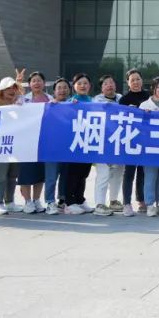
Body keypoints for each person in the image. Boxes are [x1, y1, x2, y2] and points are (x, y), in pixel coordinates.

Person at [18, 71, 52, 214]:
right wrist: (18, 82)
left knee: (40, 172)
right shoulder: (23, 99)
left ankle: (36, 200)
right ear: (29, 84)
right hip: (26, 141)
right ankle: (27, 201)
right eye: (33, 81)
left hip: (43, 141)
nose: (36, 83)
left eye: (39, 80)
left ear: (44, 83)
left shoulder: (50, 99)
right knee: (25, 172)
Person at [0, 77, 24, 215]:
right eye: (8, 88)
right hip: (0, 145)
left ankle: (9, 202)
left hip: (17, 144)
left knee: (13, 175)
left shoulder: (21, 103)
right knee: (0, 174)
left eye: (14, 88)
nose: (11, 90)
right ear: (2, 91)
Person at [118, 69, 150, 215]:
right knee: (129, 172)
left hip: (145, 139)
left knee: (143, 172)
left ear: (142, 80)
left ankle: (142, 201)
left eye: (138, 79)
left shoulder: (148, 97)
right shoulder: (124, 100)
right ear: (128, 82)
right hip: (130, 139)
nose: (136, 82)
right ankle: (126, 203)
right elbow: (118, 119)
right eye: (132, 80)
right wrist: (127, 111)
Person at [63, 74, 95, 215]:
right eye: (79, 83)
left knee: (83, 173)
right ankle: (69, 203)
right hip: (74, 142)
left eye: (85, 83)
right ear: (74, 86)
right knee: (73, 173)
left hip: (88, 142)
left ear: (89, 86)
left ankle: (80, 200)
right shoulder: (71, 101)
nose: (83, 86)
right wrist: (70, 107)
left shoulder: (93, 101)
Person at [91, 75, 123, 216]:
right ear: (101, 88)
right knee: (103, 173)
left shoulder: (122, 98)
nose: (109, 85)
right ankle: (99, 203)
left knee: (118, 173)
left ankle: (114, 201)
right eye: (105, 83)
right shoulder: (97, 101)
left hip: (119, 142)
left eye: (111, 82)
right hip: (103, 143)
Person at [137, 77, 159, 216]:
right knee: (150, 175)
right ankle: (150, 204)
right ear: (154, 89)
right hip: (149, 147)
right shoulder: (145, 105)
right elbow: (139, 125)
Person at [44, 77, 72, 214]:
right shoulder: (48, 106)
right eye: (59, 88)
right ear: (54, 91)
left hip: (68, 146)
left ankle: (62, 200)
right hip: (52, 147)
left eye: (65, 87)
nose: (62, 90)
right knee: (51, 176)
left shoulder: (74, 105)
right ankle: (50, 202)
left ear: (69, 90)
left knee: (66, 175)